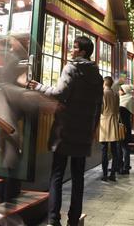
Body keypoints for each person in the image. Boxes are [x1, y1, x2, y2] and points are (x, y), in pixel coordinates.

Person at [27, 36, 103, 226]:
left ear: (83, 52)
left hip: (66, 128)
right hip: (83, 131)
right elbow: (98, 106)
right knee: (78, 176)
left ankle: (53, 219)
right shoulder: (97, 76)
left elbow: (60, 93)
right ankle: (73, 219)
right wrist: (93, 128)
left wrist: (39, 86)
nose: (71, 49)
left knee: (57, 173)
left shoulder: (72, 68)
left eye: (75, 47)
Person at [99, 76, 122, 181]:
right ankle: (113, 173)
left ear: (104, 83)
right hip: (113, 121)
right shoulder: (115, 94)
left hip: (104, 122)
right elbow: (117, 110)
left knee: (104, 149)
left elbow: (101, 109)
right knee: (114, 150)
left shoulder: (103, 93)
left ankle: (104, 174)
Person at [117, 81, 134, 174]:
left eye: (120, 90)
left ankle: (126, 167)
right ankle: (121, 165)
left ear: (124, 91)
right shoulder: (129, 98)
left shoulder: (126, 100)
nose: (119, 91)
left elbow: (120, 112)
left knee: (124, 147)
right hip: (124, 125)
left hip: (123, 126)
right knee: (121, 147)